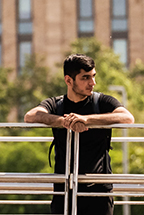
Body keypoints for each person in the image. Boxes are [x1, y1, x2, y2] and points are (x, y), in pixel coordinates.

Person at [25, 54, 135, 215]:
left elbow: (128, 118)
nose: (93, 83)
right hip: (64, 188)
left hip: (98, 190)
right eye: (85, 78)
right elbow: (30, 116)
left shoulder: (102, 102)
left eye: (93, 76)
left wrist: (86, 120)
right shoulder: (57, 104)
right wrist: (64, 122)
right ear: (69, 80)